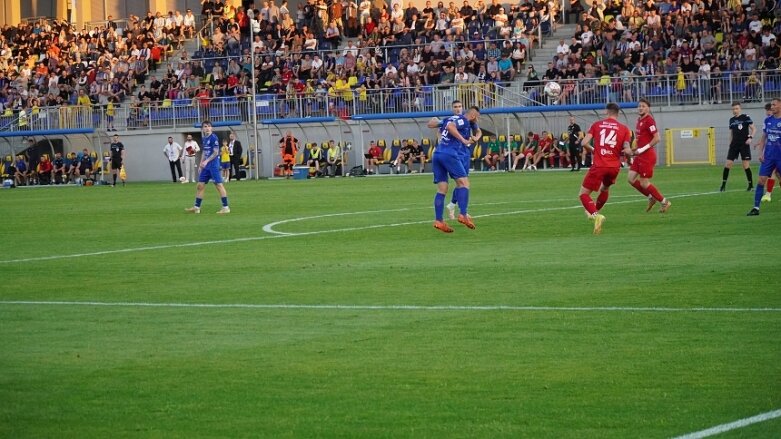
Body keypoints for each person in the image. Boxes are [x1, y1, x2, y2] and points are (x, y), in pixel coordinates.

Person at [578, 102, 633, 235]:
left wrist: (593, 149)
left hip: (599, 164)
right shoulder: (625, 129)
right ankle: (595, 212)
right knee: (605, 188)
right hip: (614, 166)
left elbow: (584, 143)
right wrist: (630, 159)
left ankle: (596, 215)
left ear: (606, 112)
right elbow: (627, 150)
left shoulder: (597, 125)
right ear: (618, 113)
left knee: (583, 194)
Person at [429, 105, 480, 233]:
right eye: (477, 117)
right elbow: (451, 127)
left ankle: (439, 221)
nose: (477, 120)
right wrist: (464, 140)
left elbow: (431, 124)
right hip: (449, 154)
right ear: (473, 115)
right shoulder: (463, 120)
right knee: (464, 183)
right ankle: (463, 214)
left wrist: (438, 121)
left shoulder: (449, 118)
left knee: (442, 189)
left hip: (438, 154)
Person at [627, 97, 672, 213]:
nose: (640, 108)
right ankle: (651, 197)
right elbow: (643, 140)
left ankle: (665, 202)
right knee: (630, 179)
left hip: (647, 156)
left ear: (648, 108)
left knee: (644, 182)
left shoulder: (649, 120)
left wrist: (642, 149)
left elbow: (657, 138)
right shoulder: (639, 120)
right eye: (639, 106)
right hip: (640, 155)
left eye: (643, 106)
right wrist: (635, 149)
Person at [186, 121, 230, 214]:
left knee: (219, 185)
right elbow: (204, 152)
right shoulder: (204, 138)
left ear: (212, 128)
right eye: (205, 126)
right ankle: (196, 207)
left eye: (209, 126)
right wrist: (201, 164)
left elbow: (215, 152)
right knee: (200, 185)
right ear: (202, 128)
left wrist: (206, 161)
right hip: (206, 167)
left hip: (213, 165)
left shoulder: (214, 137)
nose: (207, 128)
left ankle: (226, 207)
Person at [748, 98, 781, 216]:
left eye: (774, 104)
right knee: (761, 180)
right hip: (768, 156)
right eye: (771, 104)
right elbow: (763, 138)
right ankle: (756, 207)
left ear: (780, 106)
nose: (772, 106)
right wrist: (761, 152)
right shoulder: (768, 120)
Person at [721, 102, 755, 192]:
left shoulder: (746, 117)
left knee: (745, 165)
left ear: (740, 109)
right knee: (728, 164)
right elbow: (731, 133)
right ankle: (723, 185)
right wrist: (730, 143)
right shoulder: (731, 120)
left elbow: (754, 129)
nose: (735, 110)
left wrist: (750, 138)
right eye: (733, 109)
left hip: (744, 144)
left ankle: (750, 185)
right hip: (734, 145)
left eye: (736, 108)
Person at [756, 104, 779, 202]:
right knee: (773, 173)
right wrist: (760, 150)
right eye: (767, 110)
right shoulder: (768, 121)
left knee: (776, 174)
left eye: (769, 110)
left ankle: (768, 194)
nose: (768, 112)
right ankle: (767, 195)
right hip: (770, 154)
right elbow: (765, 136)